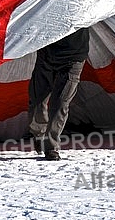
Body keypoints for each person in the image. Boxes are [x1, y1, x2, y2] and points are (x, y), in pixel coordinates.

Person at [27, 27, 90, 160]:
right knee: (37, 100)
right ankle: (39, 135)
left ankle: (51, 147)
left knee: (60, 103)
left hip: (74, 58)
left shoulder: (85, 7)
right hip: (47, 55)